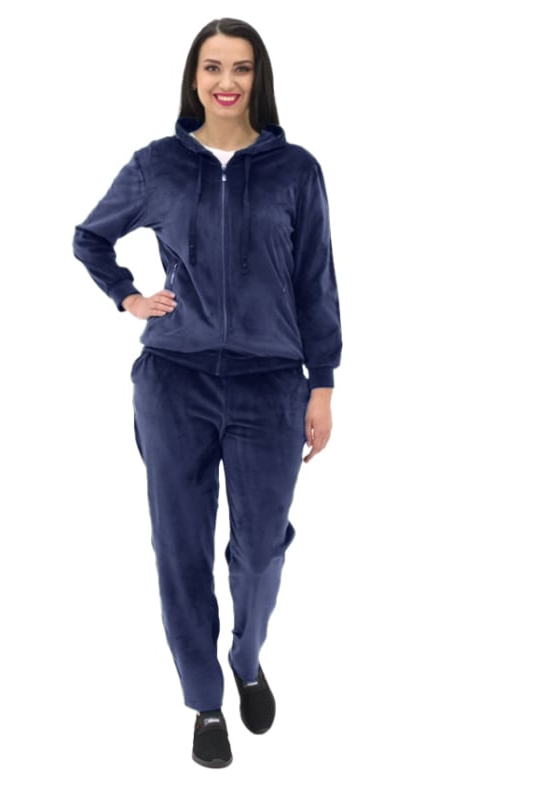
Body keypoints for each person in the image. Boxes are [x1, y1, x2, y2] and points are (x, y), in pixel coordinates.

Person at [72, 17, 342, 769]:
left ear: (259, 78)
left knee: (260, 549)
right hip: (175, 382)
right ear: (194, 77)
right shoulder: (157, 165)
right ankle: (205, 701)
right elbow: (90, 238)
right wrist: (129, 297)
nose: (227, 81)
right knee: (179, 548)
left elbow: (316, 281)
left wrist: (322, 384)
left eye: (242, 68)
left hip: (270, 387)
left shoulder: (296, 170)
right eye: (213, 67)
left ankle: (247, 657)